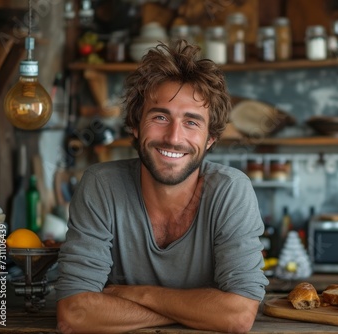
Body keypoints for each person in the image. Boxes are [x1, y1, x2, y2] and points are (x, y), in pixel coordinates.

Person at [55, 40, 269, 333]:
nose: (173, 137)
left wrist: (136, 294)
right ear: (135, 124)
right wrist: (199, 312)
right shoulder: (101, 185)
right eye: (159, 117)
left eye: (192, 122)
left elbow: (238, 316)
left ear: (210, 140)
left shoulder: (230, 191)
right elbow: (75, 312)